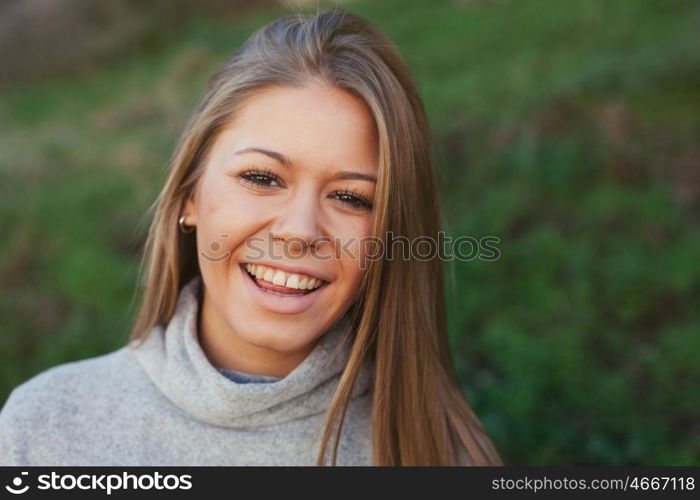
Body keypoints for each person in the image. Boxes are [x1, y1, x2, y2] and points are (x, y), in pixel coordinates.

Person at [0, 7, 503, 466]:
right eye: (261, 178)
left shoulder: (444, 453)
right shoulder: (47, 427)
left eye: (352, 198)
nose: (300, 232)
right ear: (189, 197)